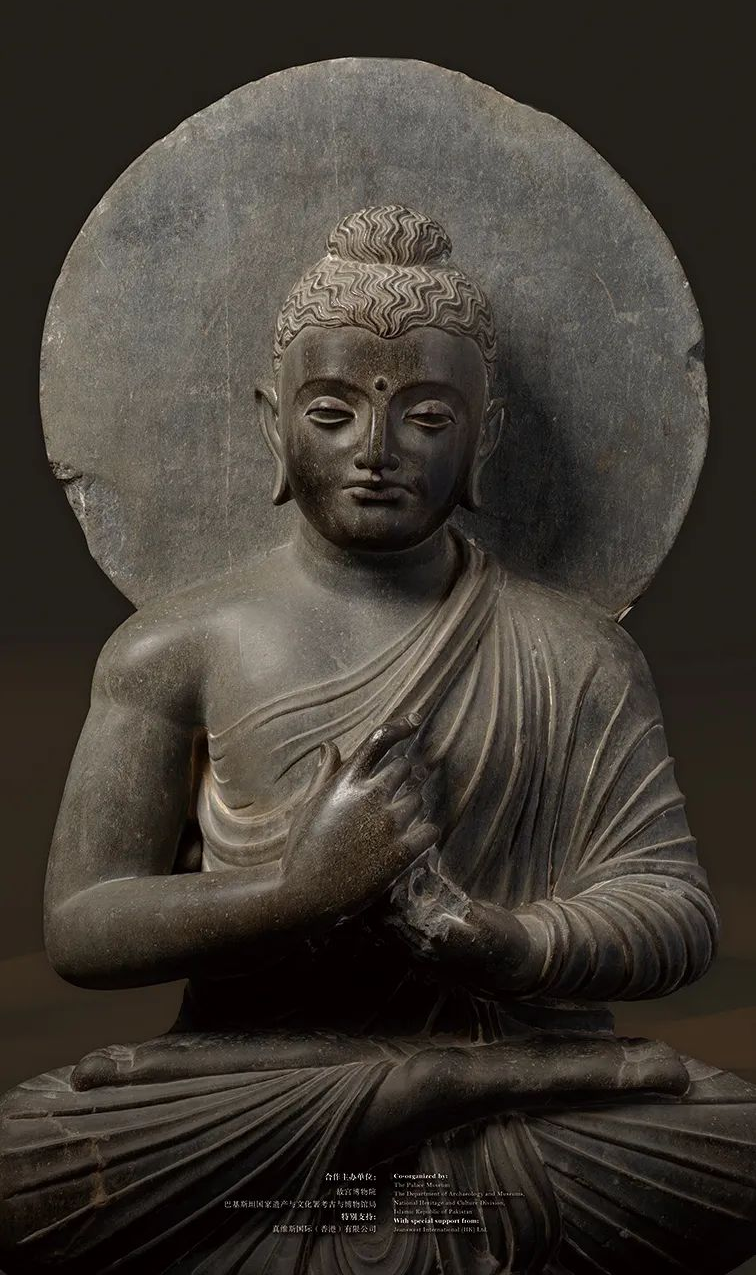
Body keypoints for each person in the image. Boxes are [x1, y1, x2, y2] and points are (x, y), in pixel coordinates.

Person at [1, 205, 755, 1274]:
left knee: (735, 1141)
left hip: (496, 1076)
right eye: (332, 410)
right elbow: (83, 923)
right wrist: (297, 892)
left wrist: (503, 942)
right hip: (254, 1078)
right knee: (26, 1159)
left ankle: (446, 1089)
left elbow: (672, 908)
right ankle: (438, 1097)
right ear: (272, 423)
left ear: (485, 437)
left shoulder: (577, 654)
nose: (376, 451)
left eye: (427, 418)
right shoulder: (173, 649)